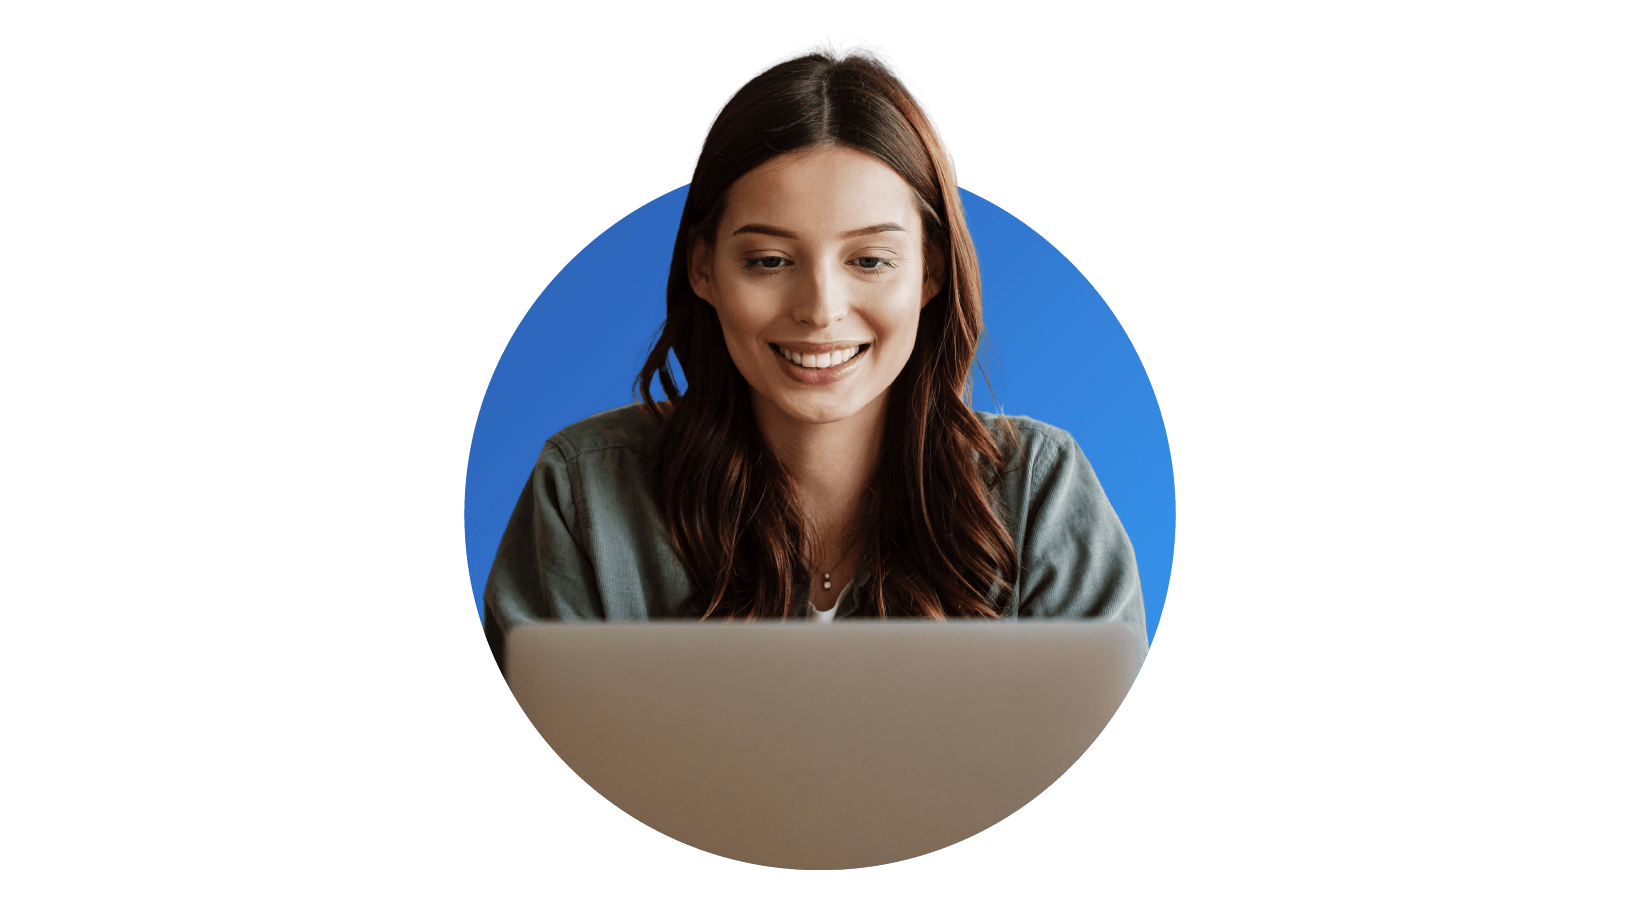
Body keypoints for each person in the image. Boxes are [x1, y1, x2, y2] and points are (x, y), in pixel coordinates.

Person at [484, 42, 1146, 661]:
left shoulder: (1043, 495)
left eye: (869, 259)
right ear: (704, 269)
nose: (821, 309)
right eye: (769, 259)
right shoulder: (581, 492)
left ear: (930, 273)